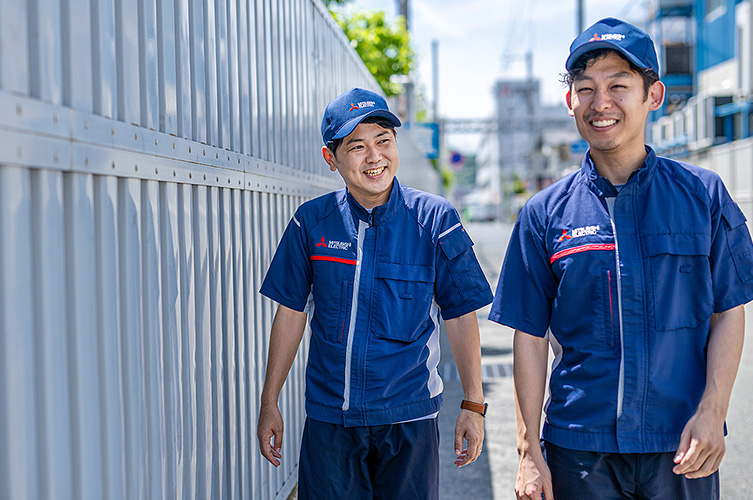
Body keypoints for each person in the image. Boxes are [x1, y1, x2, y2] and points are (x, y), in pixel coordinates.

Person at [489, 17, 753, 500]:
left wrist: (713, 410)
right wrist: (529, 453)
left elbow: (728, 310)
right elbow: (528, 336)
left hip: (681, 442)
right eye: (585, 88)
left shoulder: (703, 195)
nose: (600, 103)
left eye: (618, 85)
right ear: (570, 102)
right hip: (579, 450)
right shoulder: (544, 214)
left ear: (653, 95)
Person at [256, 87, 493, 499]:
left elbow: (459, 314)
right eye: (357, 146)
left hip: (410, 418)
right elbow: (291, 313)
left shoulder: (435, 219)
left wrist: (473, 405)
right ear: (331, 158)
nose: (374, 157)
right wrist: (269, 400)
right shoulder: (311, 223)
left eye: (383, 141)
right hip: (331, 421)